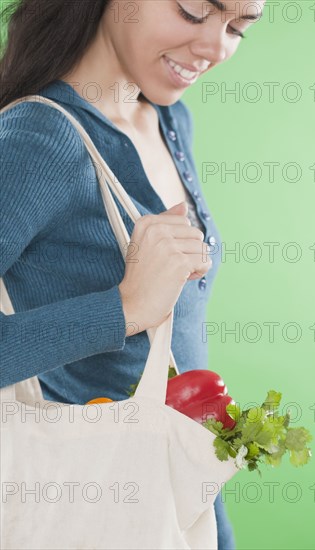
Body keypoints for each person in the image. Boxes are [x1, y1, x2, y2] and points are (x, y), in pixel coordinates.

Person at [0, 1, 265, 548]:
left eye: (238, 27)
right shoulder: (35, 142)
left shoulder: (169, 117)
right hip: (88, 512)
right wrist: (123, 309)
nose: (216, 49)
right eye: (194, 12)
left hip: (177, 508)